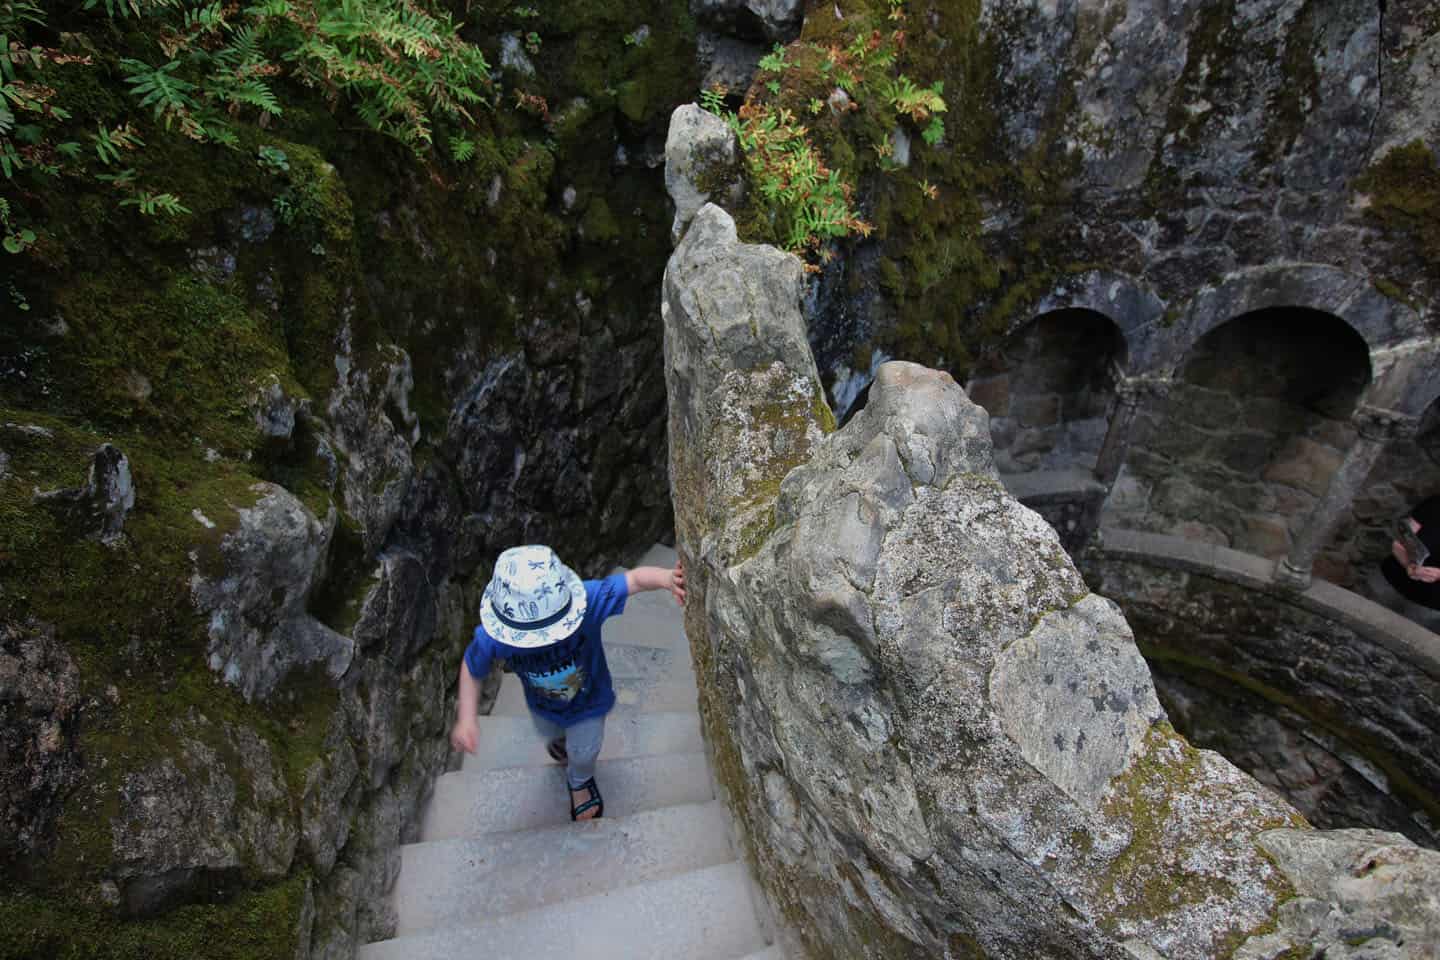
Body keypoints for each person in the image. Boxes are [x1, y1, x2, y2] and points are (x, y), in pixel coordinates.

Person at [449, 544, 686, 821]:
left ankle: (579, 781)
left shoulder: (588, 601)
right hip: (542, 705)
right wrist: (466, 718)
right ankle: (563, 743)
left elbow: (633, 580)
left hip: (589, 704)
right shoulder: (495, 637)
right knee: (550, 733)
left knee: (584, 750)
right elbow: (472, 665)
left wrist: (666, 578)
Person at [1376, 496, 1440, 630]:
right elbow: (1400, 540)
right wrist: (1408, 565)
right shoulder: (1435, 503)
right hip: (1388, 582)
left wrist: (1438, 574)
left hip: (1426, 607)